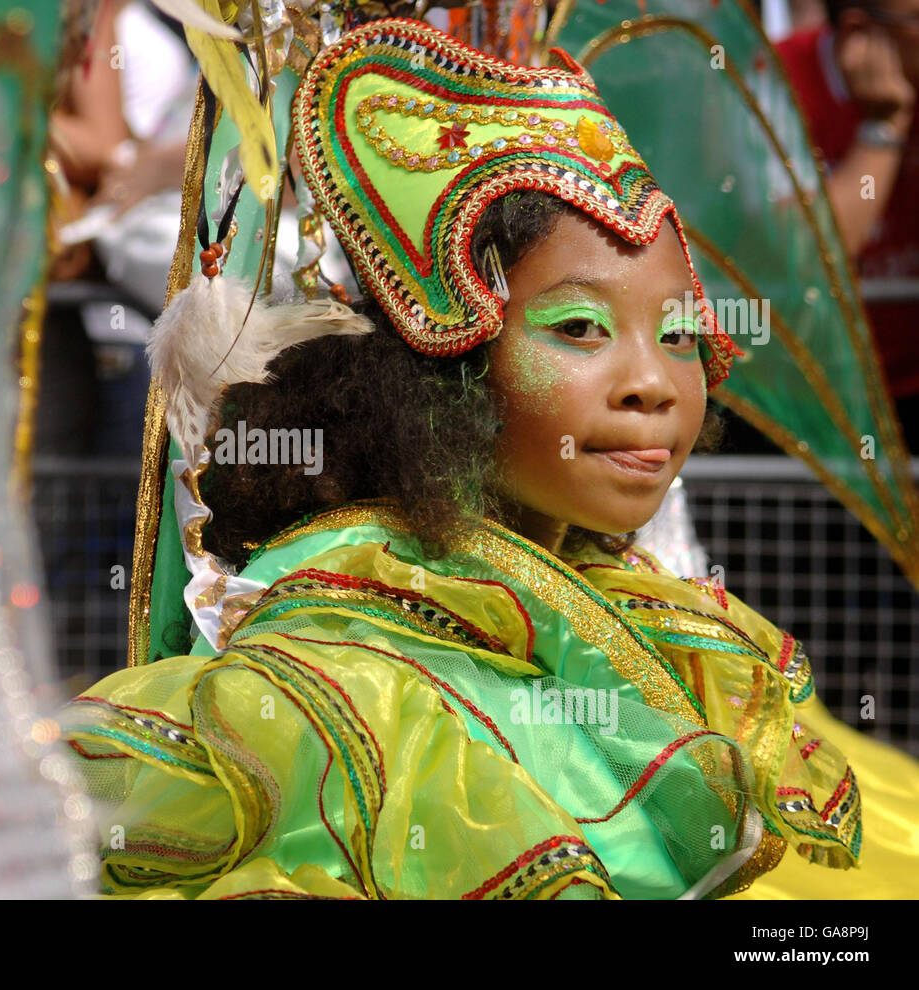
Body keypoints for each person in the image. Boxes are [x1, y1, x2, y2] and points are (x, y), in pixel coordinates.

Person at [59, 18, 919, 899]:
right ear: (443, 373)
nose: (654, 384)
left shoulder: (639, 615)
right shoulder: (345, 667)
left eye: (679, 335)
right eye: (580, 328)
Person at [775, 0, 919, 449]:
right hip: (811, 402)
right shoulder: (776, 79)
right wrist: (884, 125)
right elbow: (808, 256)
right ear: (861, 30)